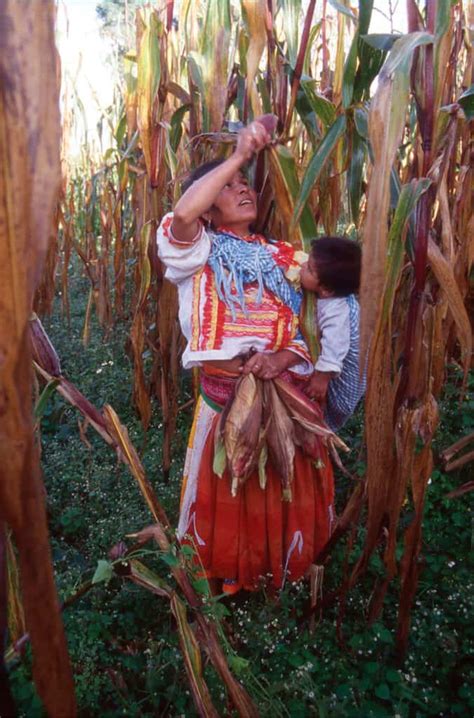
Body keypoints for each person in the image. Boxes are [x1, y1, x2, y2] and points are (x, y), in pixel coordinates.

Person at [156, 121, 335, 594]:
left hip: (281, 396)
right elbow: (183, 210)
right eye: (229, 186)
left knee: (277, 486)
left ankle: (271, 572)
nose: (243, 190)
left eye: (245, 183)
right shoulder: (196, 250)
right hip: (224, 400)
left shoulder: (283, 257)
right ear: (210, 206)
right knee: (225, 486)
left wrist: (281, 358)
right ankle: (221, 584)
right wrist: (238, 156)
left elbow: (298, 331)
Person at [300, 237, 366, 432]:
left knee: (320, 416)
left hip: (344, 387)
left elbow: (334, 348)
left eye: (310, 270)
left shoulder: (337, 311)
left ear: (326, 290)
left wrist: (322, 378)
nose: (303, 267)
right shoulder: (333, 291)